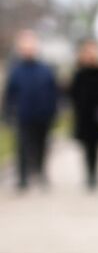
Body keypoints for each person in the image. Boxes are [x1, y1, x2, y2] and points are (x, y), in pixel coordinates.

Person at [3, 29, 59, 191]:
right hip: (23, 114)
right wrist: (7, 113)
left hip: (43, 114)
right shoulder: (15, 70)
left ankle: (41, 173)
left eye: (31, 45)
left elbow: (52, 91)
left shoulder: (45, 69)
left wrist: (53, 110)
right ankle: (22, 178)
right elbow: (10, 94)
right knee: (22, 146)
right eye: (25, 45)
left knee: (42, 145)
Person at [69, 38, 98, 189]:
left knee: (96, 146)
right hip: (83, 116)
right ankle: (88, 174)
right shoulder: (79, 73)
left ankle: (95, 174)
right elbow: (72, 93)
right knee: (86, 147)